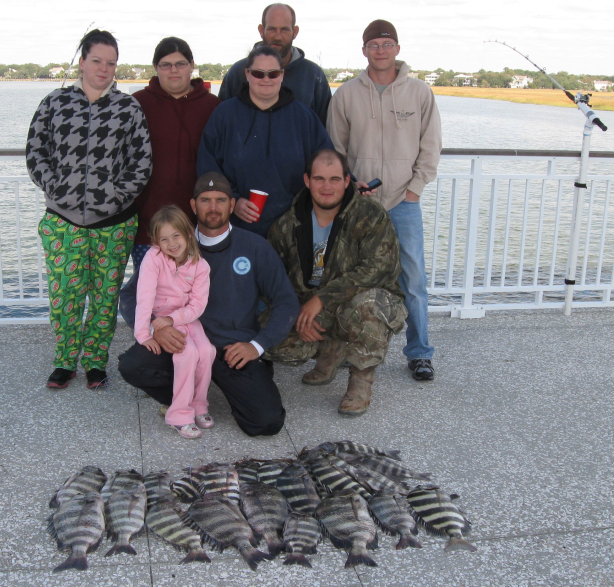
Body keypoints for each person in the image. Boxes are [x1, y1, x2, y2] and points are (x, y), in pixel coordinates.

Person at [118, 172, 299, 437]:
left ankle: (228, 388)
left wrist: (257, 345)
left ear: (232, 205)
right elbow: (131, 295)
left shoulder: (255, 247)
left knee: (266, 422)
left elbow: (286, 301)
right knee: (133, 366)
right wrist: (155, 328)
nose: (213, 207)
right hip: (181, 341)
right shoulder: (172, 246)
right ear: (193, 205)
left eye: (220, 200)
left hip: (232, 348)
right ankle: (185, 400)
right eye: (205, 200)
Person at [26, 29, 151, 390]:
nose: (104, 69)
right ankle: (65, 361)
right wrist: (57, 187)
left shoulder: (128, 109)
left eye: (111, 63)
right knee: (65, 295)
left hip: (114, 224)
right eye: (97, 60)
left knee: (105, 295)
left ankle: (96, 361)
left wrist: (114, 197)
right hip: (63, 222)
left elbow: (141, 164)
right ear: (82, 62)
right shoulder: (55, 102)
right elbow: (36, 152)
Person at [327, 19, 441, 381]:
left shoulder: (420, 93)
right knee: (352, 276)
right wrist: (350, 185)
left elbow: (431, 146)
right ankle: (350, 345)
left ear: (397, 49)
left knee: (414, 279)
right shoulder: (345, 94)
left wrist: (414, 189)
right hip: (360, 204)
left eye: (387, 43)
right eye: (374, 44)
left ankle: (419, 352)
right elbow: (335, 149)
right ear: (364, 50)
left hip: (404, 203)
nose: (380, 50)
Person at [266, 149, 406, 416]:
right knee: (266, 343)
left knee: (369, 305)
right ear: (307, 180)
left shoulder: (370, 215)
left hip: (362, 302)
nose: (326, 187)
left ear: (346, 181)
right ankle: (330, 350)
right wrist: (296, 313)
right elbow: (273, 282)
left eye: (334, 179)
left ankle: (361, 381)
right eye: (319, 179)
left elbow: (378, 268)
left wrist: (321, 299)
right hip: (313, 308)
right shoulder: (286, 225)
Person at [198, 45, 332, 238]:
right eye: (259, 74)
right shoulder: (225, 115)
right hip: (238, 229)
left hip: (293, 229)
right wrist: (231, 200)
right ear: (247, 74)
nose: (266, 79)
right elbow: (208, 166)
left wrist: (351, 182)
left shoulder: (303, 116)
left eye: (273, 73)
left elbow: (326, 160)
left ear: (282, 75)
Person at [130, 37, 221, 270]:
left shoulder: (213, 107)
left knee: (196, 296)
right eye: (166, 65)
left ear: (191, 65)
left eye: (180, 64)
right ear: (155, 68)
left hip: (200, 228)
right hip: (149, 229)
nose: (173, 70)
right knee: (155, 297)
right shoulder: (137, 104)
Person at [135, 206, 215, 440]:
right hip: (162, 321)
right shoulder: (154, 259)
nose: (171, 243)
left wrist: (175, 318)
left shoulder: (200, 265)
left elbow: (198, 305)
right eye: (164, 239)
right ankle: (179, 414)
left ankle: (199, 405)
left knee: (207, 351)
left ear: (188, 233)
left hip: (187, 318)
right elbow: (144, 296)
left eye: (176, 235)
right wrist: (144, 333)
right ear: (155, 241)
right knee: (187, 352)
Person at [218, 3, 332, 125]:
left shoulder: (314, 76)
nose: (278, 37)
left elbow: (324, 130)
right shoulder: (237, 72)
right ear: (261, 31)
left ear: (295, 32)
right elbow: (222, 123)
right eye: (272, 29)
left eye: (284, 29)